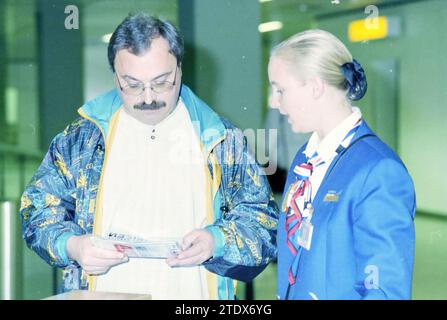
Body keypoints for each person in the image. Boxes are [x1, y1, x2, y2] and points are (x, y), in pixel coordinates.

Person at [19, 13, 278, 300]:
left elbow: (263, 225)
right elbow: (38, 211)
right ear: (114, 76)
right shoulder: (81, 139)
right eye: (132, 84)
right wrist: (73, 246)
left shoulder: (220, 139)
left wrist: (217, 241)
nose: (148, 97)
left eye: (162, 82)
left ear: (179, 68)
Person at [268, 29, 415, 300]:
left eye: (280, 90)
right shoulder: (305, 159)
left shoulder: (378, 171)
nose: (274, 102)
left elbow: (384, 292)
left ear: (315, 87)